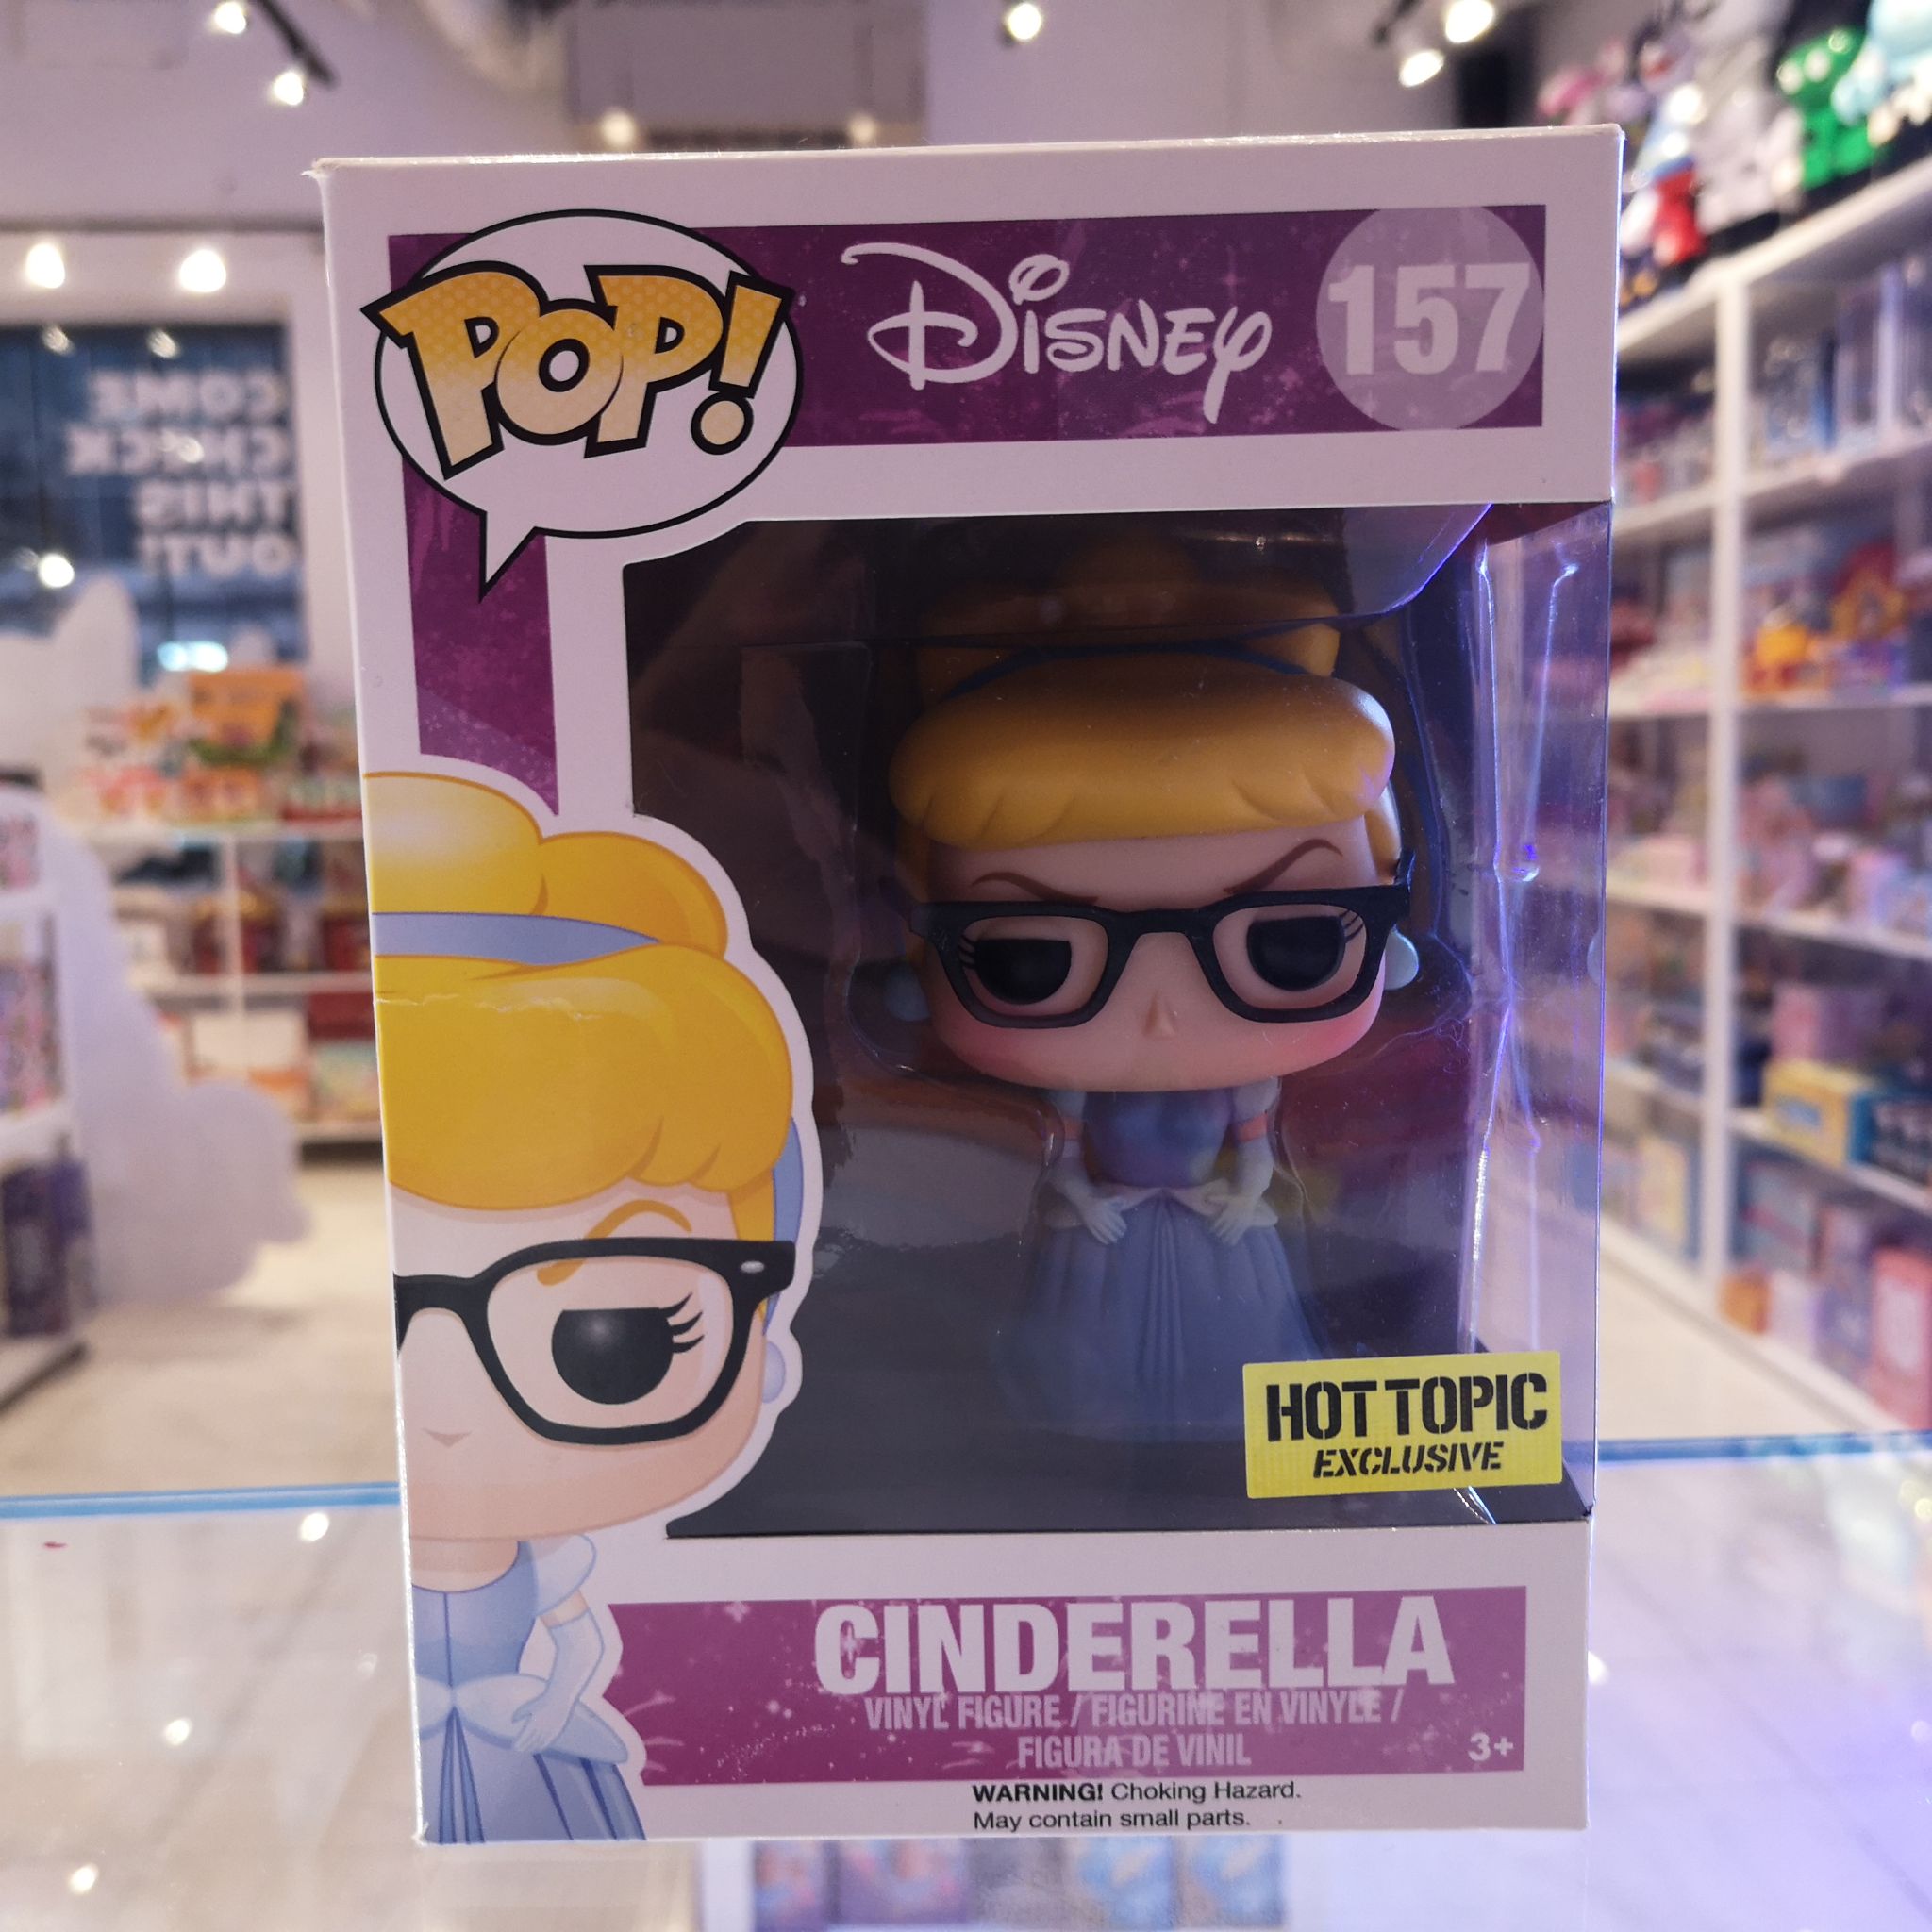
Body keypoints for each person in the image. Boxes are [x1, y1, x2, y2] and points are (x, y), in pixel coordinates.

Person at [887, 546, 1416, 1441]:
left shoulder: (1244, 1087)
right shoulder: (1078, 1095)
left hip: (1201, 1226)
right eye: (1032, 958)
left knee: (1237, 1347)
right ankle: (1088, 1431)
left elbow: (1255, 1157)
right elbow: (1060, 1158)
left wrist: (1243, 1199)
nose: (1164, 1014)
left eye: (1289, 944)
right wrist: (1086, 1201)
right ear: (920, 949)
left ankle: (1222, 1428)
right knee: (1084, 1360)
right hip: (1115, 1225)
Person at [369, 771, 805, 1840]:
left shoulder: (548, 1554)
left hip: (524, 1740)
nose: (446, 1411)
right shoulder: (389, 1522)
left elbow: (587, 1642)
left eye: (615, 1342)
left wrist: (558, 1707)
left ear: (761, 1343)